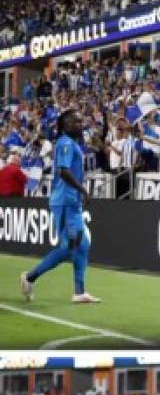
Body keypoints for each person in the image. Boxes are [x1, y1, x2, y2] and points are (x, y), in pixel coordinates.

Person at [20, 110, 100, 304]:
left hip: (72, 202)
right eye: (76, 122)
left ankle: (79, 292)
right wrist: (83, 189)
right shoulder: (65, 143)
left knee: (82, 245)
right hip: (64, 201)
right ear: (65, 125)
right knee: (69, 247)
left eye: (81, 121)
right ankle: (29, 277)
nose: (80, 124)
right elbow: (63, 172)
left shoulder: (73, 144)